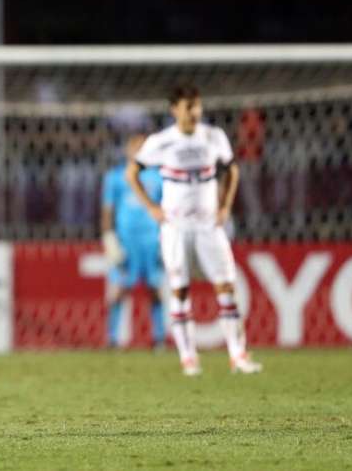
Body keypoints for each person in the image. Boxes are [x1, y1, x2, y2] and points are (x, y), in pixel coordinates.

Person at [127, 85, 262, 376]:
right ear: (174, 109)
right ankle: (188, 358)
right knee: (180, 290)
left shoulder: (214, 137)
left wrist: (225, 206)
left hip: (208, 226)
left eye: (197, 106)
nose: (195, 112)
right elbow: (132, 172)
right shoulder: (161, 141)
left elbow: (232, 169)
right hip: (175, 228)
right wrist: (152, 207)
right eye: (189, 107)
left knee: (226, 287)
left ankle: (238, 356)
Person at [101, 134, 165, 349]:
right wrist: (109, 238)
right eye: (134, 148)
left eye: (142, 148)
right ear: (127, 151)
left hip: (151, 239)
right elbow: (107, 210)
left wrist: (166, 237)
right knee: (119, 289)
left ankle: (159, 338)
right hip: (126, 240)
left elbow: (166, 208)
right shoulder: (115, 177)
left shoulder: (159, 177)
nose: (138, 152)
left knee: (155, 288)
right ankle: (112, 338)